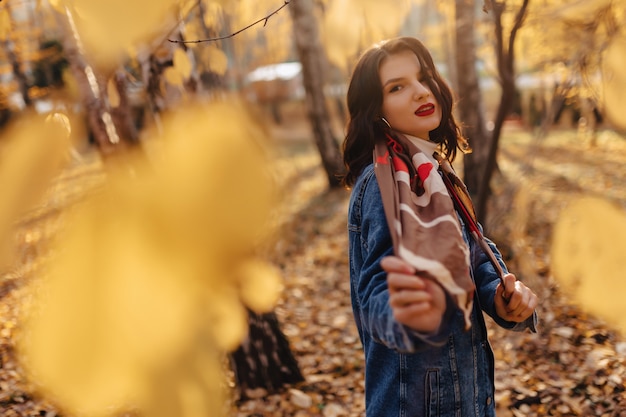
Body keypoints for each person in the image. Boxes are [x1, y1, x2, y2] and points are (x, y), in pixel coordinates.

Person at [341, 36, 538, 417]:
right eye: (396, 87)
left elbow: (476, 256)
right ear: (375, 110)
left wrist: (501, 293)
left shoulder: (436, 173)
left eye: (423, 77)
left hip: (468, 395)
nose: (419, 91)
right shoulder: (381, 182)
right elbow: (376, 295)